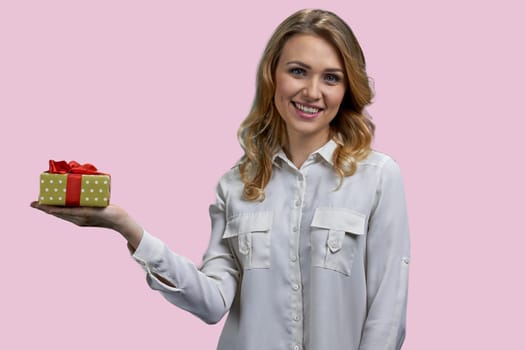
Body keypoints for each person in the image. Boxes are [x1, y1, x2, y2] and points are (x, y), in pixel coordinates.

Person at [31, 8, 410, 350]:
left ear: (346, 89)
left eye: (331, 78)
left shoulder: (378, 178)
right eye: (297, 71)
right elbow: (212, 302)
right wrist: (128, 229)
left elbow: (386, 315)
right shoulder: (236, 185)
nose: (312, 92)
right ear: (272, 76)